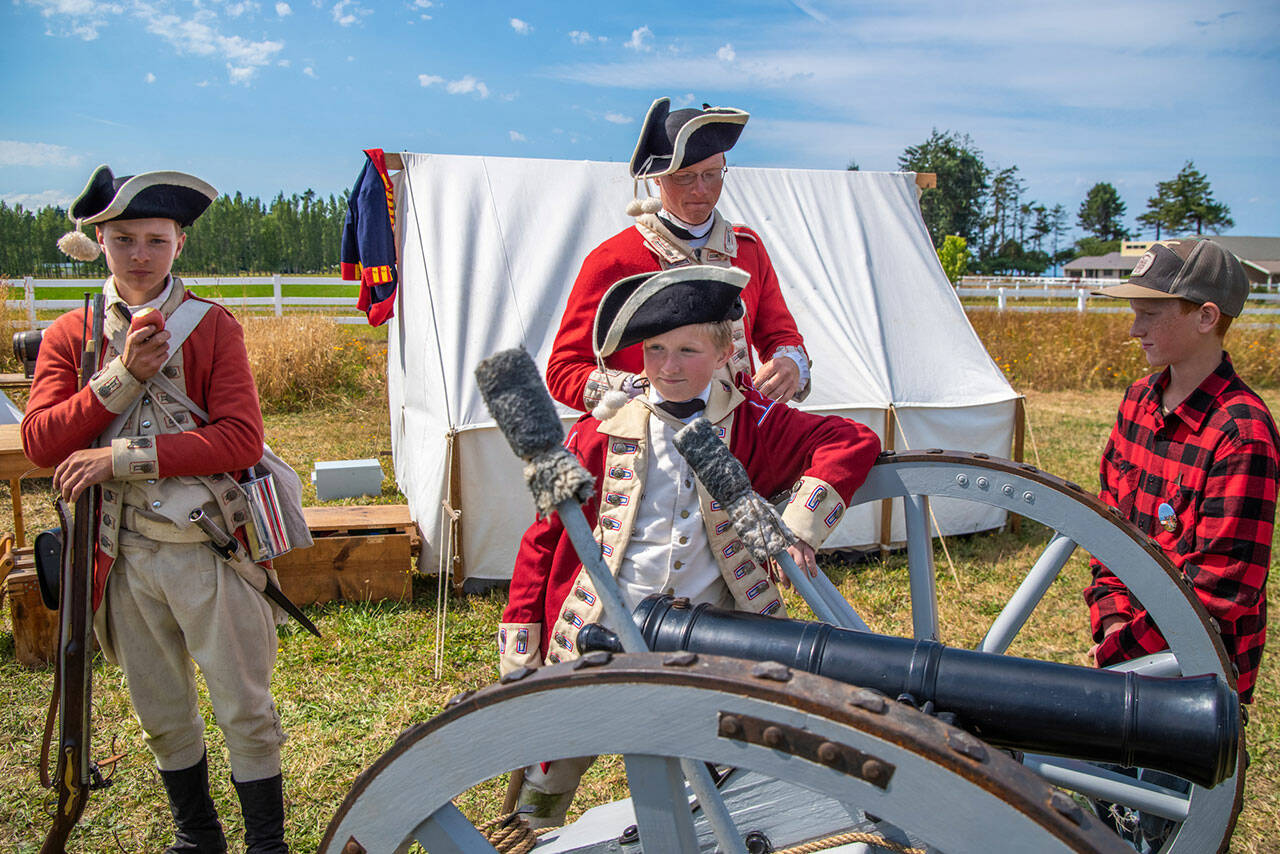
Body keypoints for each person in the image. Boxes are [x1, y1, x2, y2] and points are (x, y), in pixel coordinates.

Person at [500, 265, 881, 826]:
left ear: (726, 352)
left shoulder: (753, 422)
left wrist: (796, 528)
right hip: (599, 624)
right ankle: (532, 827)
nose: (668, 367)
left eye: (687, 350)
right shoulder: (591, 432)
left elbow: (851, 438)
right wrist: (521, 639)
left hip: (710, 634)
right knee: (553, 760)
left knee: (716, 765)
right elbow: (543, 539)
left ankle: (708, 825)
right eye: (655, 350)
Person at [22, 165, 290, 853]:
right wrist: (121, 377)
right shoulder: (70, 335)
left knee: (245, 711)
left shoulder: (211, 327)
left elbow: (239, 439)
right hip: (122, 551)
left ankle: (267, 845)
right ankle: (197, 836)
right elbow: (42, 442)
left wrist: (120, 459)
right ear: (101, 243)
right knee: (162, 713)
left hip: (207, 549)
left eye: (155, 239)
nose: (139, 255)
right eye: (123, 240)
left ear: (178, 245)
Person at [1086, 238, 1278, 704]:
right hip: (1128, 646)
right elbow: (1107, 530)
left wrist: (1122, 652)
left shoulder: (1241, 434)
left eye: (1150, 315)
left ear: (1206, 317)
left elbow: (1220, 589)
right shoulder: (1137, 401)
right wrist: (1112, 621)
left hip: (1195, 673)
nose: (1135, 329)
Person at [546, 97, 812, 414]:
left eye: (712, 174)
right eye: (684, 176)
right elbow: (563, 369)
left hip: (740, 438)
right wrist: (635, 392)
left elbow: (779, 334)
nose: (700, 189)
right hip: (648, 442)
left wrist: (789, 362)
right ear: (657, 177)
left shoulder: (748, 248)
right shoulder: (613, 258)